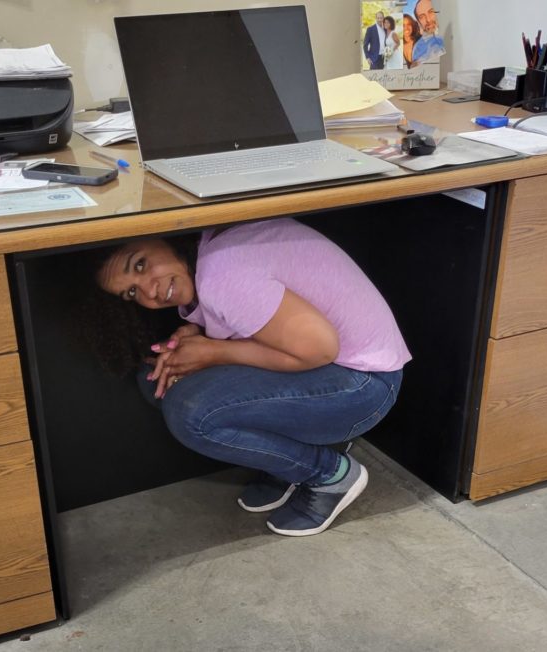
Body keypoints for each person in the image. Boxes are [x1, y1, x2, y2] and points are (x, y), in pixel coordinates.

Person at [91, 218, 411, 537]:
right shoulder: (209, 253)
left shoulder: (221, 274)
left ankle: (329, 475)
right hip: (342, 369)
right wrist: (201, 334)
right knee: (158, 377)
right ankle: (288, 465)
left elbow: (319, 349)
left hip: (364, 385)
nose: (149, 290)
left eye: (141, 264)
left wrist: (214, 352)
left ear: (160, 235)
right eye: (132, 292)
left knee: (189, 412)